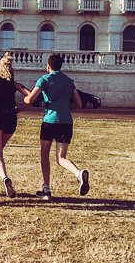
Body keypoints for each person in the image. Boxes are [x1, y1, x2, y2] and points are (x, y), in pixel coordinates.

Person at [23, 53, 91, 200]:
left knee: (44, 154)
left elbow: (30, 100)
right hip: (66, 121)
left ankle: (46, 189)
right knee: (61, 158)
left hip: (49, 121)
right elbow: (79, 103)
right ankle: (78, 173)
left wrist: (25, 97)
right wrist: (66, 108)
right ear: (61, 66)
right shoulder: (68, 81)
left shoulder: (44, 79)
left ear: (48, 66)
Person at [0, 53, 30, 198]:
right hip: (10, 118)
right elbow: (30, 97)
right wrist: (19, 109)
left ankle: (5, 178)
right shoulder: (15, 84)